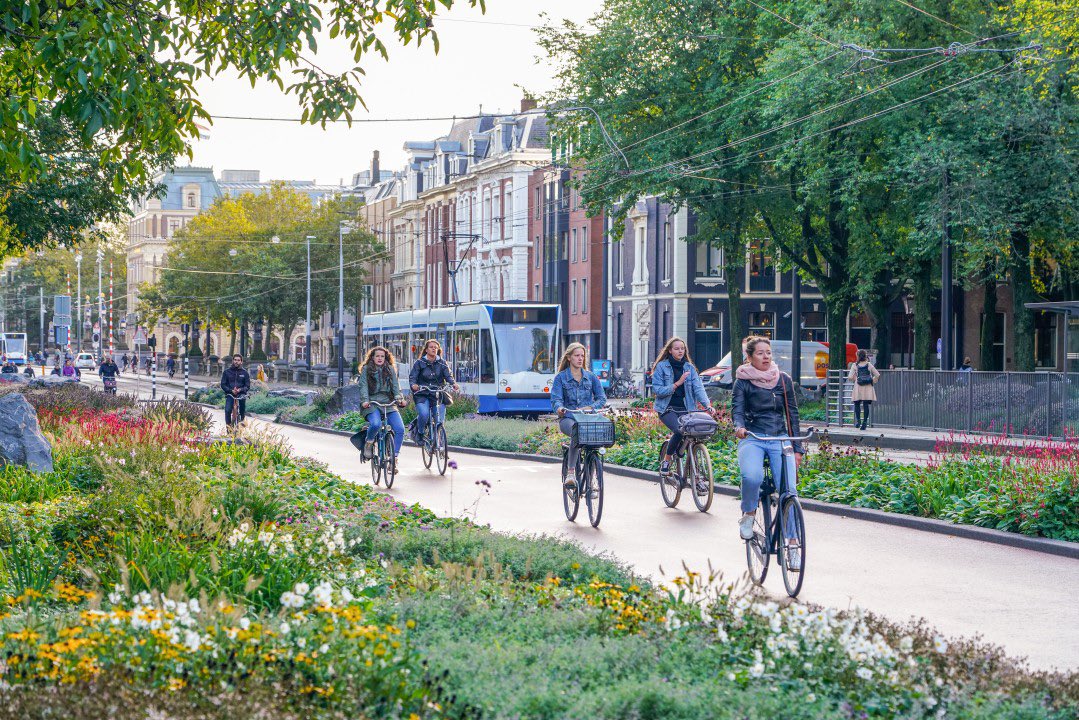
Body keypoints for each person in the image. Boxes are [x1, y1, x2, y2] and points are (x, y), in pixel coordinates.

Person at [732, 336, 804, 568]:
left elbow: (792, 414)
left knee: (789, 491)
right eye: (760, 353)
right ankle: (749, 514)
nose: (766, 356)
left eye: (769, 352)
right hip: (753, 437)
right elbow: (738, 410)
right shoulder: (742, 381)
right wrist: (740, 427)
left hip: (779, 438)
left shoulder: (783, 380)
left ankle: (792, 545)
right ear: (750, 357)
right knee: (751, 476)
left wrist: (797, 448)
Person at [650, 337, 712, 479]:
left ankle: (696, 476)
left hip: (686, 409)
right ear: (670, 351)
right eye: (677, 348)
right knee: (679, 430)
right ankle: (666, 461)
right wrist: (677, 383)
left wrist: (707, 405)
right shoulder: (661, 367)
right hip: (667, 409)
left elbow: (698, 388)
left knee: (693, 433)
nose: (680, 351)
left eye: (682, 348)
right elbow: (658, 390)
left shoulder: (689, 368)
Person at [551, 342, 607, 489]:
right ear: (569, 357)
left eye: (582, 356)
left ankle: (592, 475)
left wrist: (591, 407)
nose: (580, 359)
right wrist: (560, 409)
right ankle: (570, 473)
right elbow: (556, 399)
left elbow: (602, 398)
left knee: (597, 438)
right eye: (577, 356)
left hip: (587, 418)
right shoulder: (560, 378)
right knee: (577, 432)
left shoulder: (591, 377)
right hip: (568, 418)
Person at [357, 346, 406, 466]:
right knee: (376, 424)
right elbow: (363, 386)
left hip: (388, 403)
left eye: (382, 356)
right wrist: (365, 400)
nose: (380, 358)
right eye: (377, 356)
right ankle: (369, 442)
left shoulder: (390, 369)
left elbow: (396, 386)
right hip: (372, 403)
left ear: (386, 358)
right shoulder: (366, 369)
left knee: (400, 429)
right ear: (372, 358)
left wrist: (399, 399)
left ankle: (394, 457)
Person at [409, 339, 459, 444]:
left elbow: (448, 375)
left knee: (439, 420)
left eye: (435, 347)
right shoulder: (419, 363)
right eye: (431, 347)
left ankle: (439, 442)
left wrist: (453, 383)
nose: (433, 349)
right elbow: (413, 377)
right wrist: (414, 385)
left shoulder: (442, 363)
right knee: (424, 414)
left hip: (437, 393)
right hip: (422, 393)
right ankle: (420, 432)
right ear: (426, 350)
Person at [847, 349, 880, 431]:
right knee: (866, 405)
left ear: (857, 356)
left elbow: (850, 377)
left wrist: (856, 378)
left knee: (857, 404)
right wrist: (872, 380)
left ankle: (858, 421)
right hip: (868, 387)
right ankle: (865, 423)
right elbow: (877, 374)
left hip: (858, 386)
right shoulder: (869, 364)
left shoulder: (855, 365)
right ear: (865, 356)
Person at [221, 354, 251, 427]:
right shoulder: (226, 372)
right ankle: (228, 428)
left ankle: (241, 424)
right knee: (227, 410)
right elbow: (223, 384)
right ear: (232, 361)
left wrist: (240, 389)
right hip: (230, 394)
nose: (236, 362)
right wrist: (231, 390)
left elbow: (247, 386)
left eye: (238, 360)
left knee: (242, 410)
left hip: (241, 394)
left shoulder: (245, 373)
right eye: (235, 360)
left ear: (241, 362)